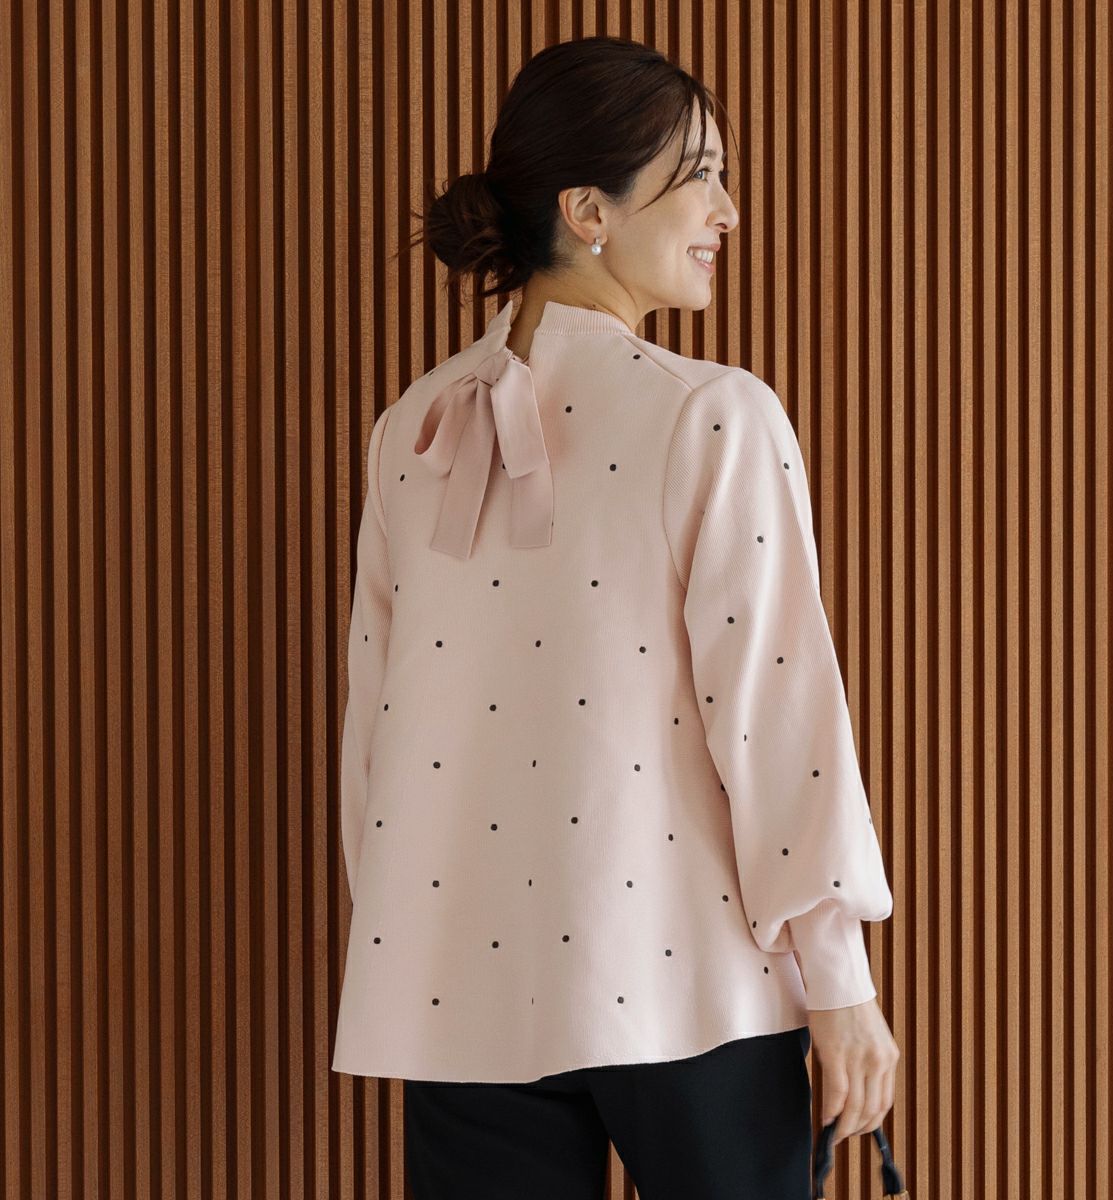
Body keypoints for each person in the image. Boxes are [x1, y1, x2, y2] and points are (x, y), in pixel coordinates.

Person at [331, 33, 900, 1200]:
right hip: (690, 985)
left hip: (462, 994)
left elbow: (374, 737)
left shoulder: (413, 428)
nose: (727, 212)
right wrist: (841, 984)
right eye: (702, 177)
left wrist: (408, 927)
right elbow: (779, 717)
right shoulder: (713, 416)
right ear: (588, 210)